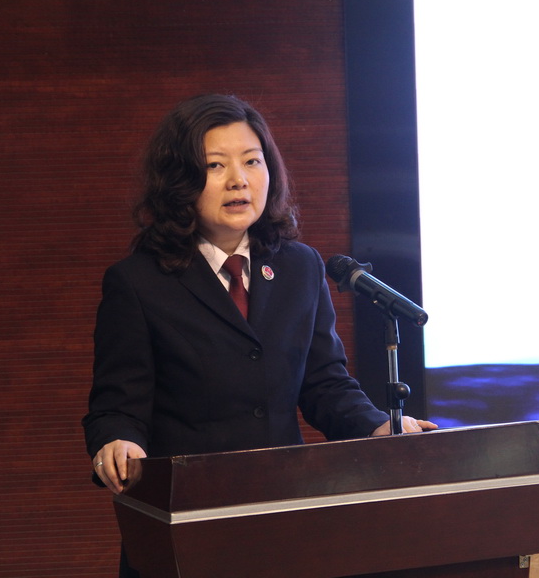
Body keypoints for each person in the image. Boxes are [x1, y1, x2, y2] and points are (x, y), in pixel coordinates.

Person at [82, 93, 436, 577]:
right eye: (215, 165)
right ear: (179, 180)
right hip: (186, 526)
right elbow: (117, 406)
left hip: (283, 519)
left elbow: (325, 384)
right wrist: (118, 442)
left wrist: (380, 427)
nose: (239, 180)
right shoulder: (139, 283)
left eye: (252, 161)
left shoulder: (300, 267)